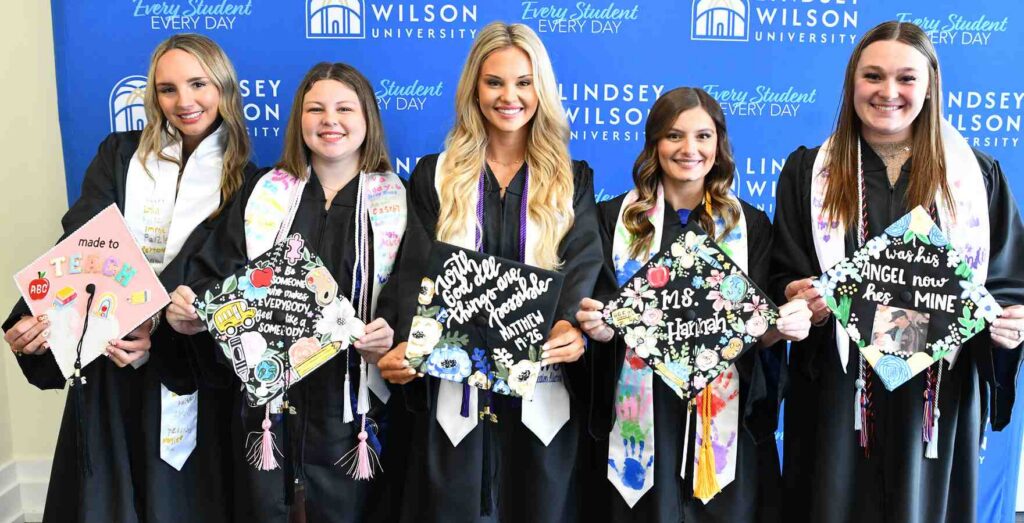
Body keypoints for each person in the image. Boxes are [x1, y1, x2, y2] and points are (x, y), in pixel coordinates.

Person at [770, 20, 1024, 523]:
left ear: (929, 87)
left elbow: (1005, 281)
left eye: (906, 78)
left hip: (934, 398)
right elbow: (784, 269)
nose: (888, 92)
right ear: (852, 83)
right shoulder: (808, 172)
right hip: (837, 394)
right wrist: (796, 295)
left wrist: (1009, 326)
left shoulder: (976, 175)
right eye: (873, 77)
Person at [2, 33, 253, 522]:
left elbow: (223, 274)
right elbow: (80, 242)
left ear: (223, 87)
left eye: (198, 83)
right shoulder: (121, 156)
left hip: (183, 369)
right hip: (106, 359)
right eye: (167, 89)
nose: (184, 101)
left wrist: (156, 329)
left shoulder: (247, 180)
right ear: (153, 97)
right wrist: (38, 320)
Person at [375, 21, 603, 522]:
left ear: (540, 90)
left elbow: (584, 262)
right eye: (494, 81)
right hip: (453, 396)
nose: (509, 96)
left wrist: (569, 325)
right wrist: (406, 343)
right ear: (474, 90)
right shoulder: (435, 176)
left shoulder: (572, 179)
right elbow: (415, 271)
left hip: (542, 391)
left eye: (524, 82)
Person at [165, 61, 406, 523]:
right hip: (269, 406)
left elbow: (410, 292)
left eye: (344, 108)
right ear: (299, 120)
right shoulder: (264, 193)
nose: (329, 120)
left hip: (353, 406)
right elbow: (217, 275)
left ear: (368, 119)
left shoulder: (399, 200)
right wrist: (193, 310)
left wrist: (391, 333)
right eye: (315, 109)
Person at [575, 87, 811, 522]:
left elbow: (759, 331)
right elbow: (602, 313)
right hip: (642, 412)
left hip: (722, 417)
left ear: (718, 144)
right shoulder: (612, 220)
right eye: (674, 136)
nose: (690, 149)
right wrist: (598, 326)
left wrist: (783, 326)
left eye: (703, 136)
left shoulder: (750, 225)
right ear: (654, 145)